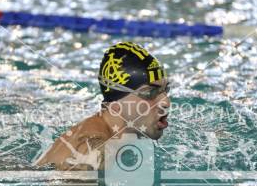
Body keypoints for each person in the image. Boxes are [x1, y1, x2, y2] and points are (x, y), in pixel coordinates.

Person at [35, 42, 170, 174]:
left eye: (166, 89)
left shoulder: (121, 136)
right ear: (116, 104)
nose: (166, 102)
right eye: (150, 93)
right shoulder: (93, 151)